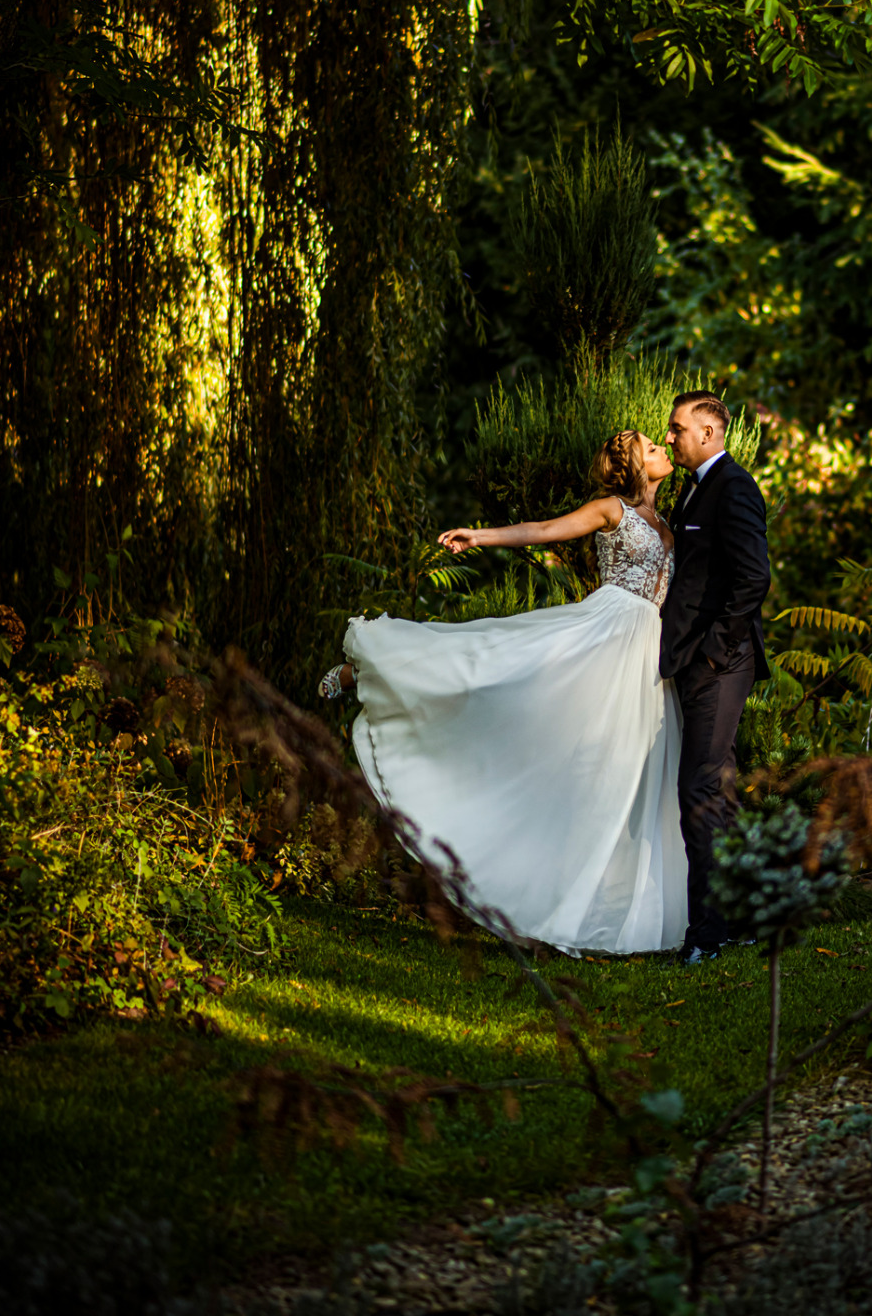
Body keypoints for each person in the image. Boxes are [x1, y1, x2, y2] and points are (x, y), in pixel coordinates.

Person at [318, 431, 688, 954]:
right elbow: (545, 529)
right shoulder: (612, 509)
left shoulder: (669, 521)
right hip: (606, 631)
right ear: (634, 465)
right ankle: (374, 671)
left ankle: (596, 904)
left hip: (648, 651)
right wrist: (481, 536)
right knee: (497, 666)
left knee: (617, 772)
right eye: (652, 448)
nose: (663, 450)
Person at [659, 391, 771, 965]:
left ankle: (704, 936)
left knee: (699, 791)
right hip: (696, 662)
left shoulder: (735, 487)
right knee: (719, 791)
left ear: (707, 433)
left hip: (720, 665)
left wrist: (712, 653)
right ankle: (744, 919)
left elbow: (755, 578)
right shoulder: (691, 488)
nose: (669, 436)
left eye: (677, 428)